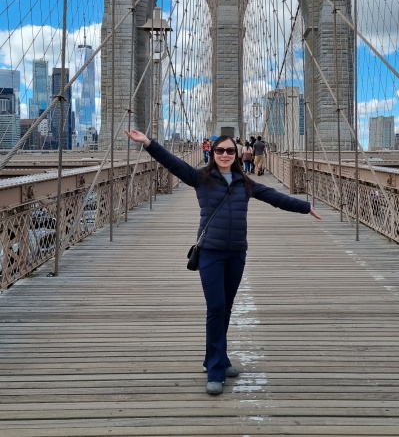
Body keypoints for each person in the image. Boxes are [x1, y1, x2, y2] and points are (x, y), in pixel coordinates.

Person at [124, 128, 322, 396]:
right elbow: (173, 163)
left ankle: (218, 358)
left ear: (237, 154)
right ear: (212, 153)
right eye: (220, 150)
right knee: (216, 307)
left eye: (230, 151)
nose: (225, 155)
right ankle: (216, 370)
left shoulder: (246, 183)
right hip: (210, 253)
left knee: (226, 308)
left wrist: (304, 206)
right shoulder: (201, 179)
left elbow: (275, 198)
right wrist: (148, 143)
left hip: (237, 253)